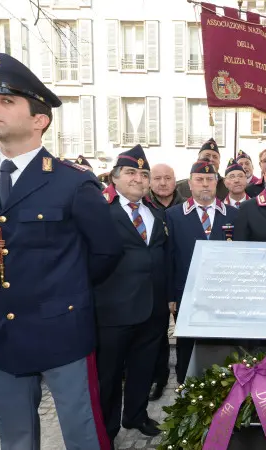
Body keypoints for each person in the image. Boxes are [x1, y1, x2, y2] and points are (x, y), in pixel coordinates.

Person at [0, 52, 122, 450]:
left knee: (82, 433)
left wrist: (66, 293)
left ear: (39, 120)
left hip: (61, 328)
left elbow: (106, 252)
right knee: (14, 436)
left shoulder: (71, 183)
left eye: (6, 101)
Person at [95, 146, 169, 444]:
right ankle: (108, 428)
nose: (138, 178)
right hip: (114, 310)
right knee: (109, 375)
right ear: (114, 178)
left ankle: (136, 414)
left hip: (152, 307)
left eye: (143, 173)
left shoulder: (155, 212)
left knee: (144, 366)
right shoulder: (102, 212)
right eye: (131, 172)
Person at [165, 159, 239, 383]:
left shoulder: (234, 214)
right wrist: (171, 296)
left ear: (217, 183)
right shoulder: (174, 215)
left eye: (209, 179)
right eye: (200, 180)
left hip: (224, 294)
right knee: (187, 341)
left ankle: (221, 384)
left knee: (221, 341)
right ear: (190, 183)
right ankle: (185, 386)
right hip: (186, 293)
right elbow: (169, 258)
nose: (205, 184)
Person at [148, 163, 185, 401]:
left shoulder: (186, 207)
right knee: (156, 335)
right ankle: (158, 379)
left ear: (176, 181)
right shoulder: (144, 207)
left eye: (168, 178)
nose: (163, 183)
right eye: (158, 178)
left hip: (180, 279)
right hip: (153, 281)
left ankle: (185, 375)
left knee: (184, 333)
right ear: (150, 181)